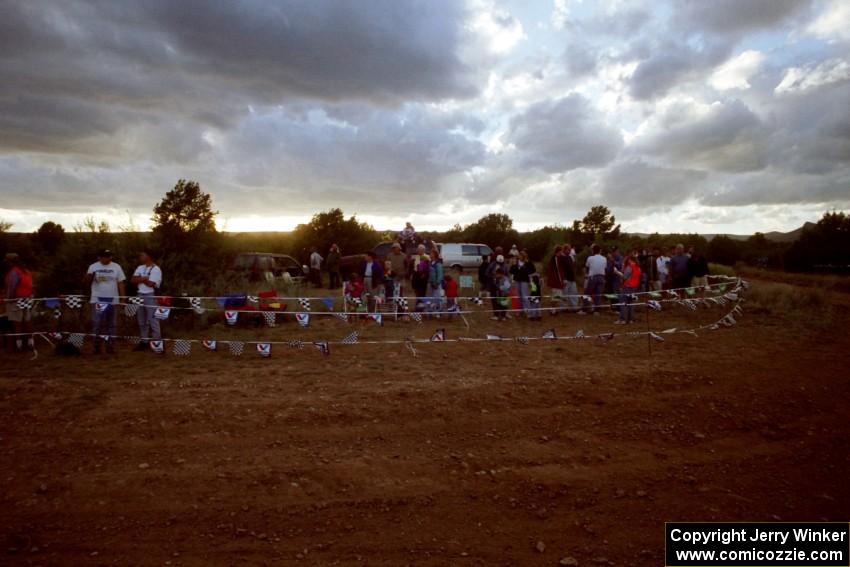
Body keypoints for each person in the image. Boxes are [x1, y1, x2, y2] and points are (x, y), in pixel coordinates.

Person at [86, 249, 126, 354]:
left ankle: (110, 346)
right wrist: (89, 277)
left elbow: (120, 282)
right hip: (97, 299)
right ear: (99, 257)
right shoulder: (93, 267)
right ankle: (96, 346)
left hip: (113, 299)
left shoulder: (116, 267)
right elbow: (86, 281)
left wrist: (122, 298)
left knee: (112, 324)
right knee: (97, 323)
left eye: (109, 256)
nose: (107, 258)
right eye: (104, 256)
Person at [130, 250, 163, 351]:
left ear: (148, 256)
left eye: (142, 255)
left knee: (153, 320)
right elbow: (132, 280)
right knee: (141, 320)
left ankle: (157, 342)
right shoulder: (140, 267)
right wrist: (144, 279)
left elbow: (151, 284)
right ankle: (144, 341)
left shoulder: (156, 269)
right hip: (139, 294)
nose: (140, 256)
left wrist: (141, 279)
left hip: (150, 295)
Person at [4, 253, 34, 352]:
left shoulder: (13, 272)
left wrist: (8, 299)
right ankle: (30, 343)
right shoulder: (26, 271)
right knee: (28, 321)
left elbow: (12, 288)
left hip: (16, 300)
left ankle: (19, 345)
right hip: (27, 299)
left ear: (10, 262)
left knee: (17, 323)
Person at [615, 250, 641, 324]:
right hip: (634, 287)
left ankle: (622, 319)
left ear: (630, 260)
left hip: (627, 286)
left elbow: (624, 277)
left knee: (623, 303)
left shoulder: (630, 267)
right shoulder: (638, 267)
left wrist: (617, 272)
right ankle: (631, 319)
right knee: (631, 303)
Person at [580, 245, 606, 315]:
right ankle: (597, 310)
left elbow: (587, 267)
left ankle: (585, 309)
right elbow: (604, 267)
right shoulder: (604, 258)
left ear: (593, 250)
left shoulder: (590, 258)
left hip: (593, 277)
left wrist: (586, 275)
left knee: (587, 293)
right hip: (602, 277)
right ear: (599, 251)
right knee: (598, 294)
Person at [510, 250, 536, 318]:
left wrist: (526, 267)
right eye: (519, 255)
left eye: (521, 255)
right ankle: (520, 311)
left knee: (525, 296)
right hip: (517, 280)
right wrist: (513, 265)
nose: (520, 256)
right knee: (518, 296)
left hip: (524, 281)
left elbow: (533, 270)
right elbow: (511, 271)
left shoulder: (528, 262)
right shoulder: (516, 262)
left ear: (524, 256)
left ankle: (528, 311)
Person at [561, 244, 578, 312]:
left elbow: (572, 267)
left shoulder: (570, 257)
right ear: (564, 249)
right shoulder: (561, 258)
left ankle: (574, 307)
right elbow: (561, 269)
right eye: (568, 249)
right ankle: (564, 308)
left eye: (570, 250)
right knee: (565, 293)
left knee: (574, 292)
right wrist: (563, 278)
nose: (569, 251)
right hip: (565, 278)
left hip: (572, 278)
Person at [427, 248, 444, 314]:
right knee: (431, 298)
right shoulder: (431, 263)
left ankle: (439, 311)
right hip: (430, 283)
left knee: (437, 297)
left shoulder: (438, 263)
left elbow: (440, 274)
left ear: (434, 255)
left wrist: (437, 283)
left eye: (431, 253)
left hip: (436, 284)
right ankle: (431, 311)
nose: (430, 254)